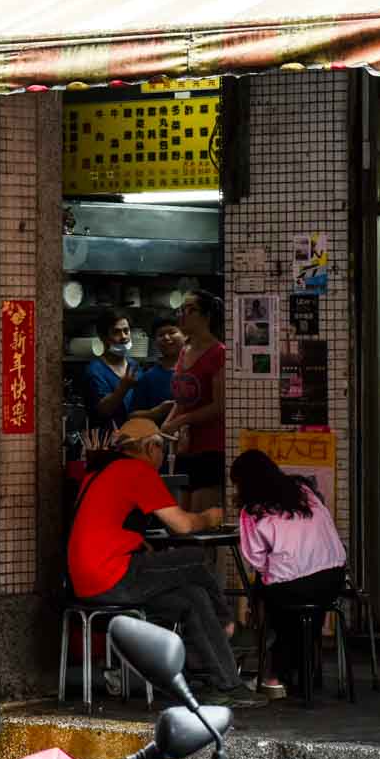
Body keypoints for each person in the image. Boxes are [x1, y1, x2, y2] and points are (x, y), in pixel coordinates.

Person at [68, 416, 259, 707]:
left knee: (191, 597)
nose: (163, 455)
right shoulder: (136, 470)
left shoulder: (98, 471)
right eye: (161, 449)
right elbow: (182, 525)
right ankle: (227, 623)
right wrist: (209, 517)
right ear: (150, 448)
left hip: (86, 580)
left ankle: (222, 683)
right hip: (113, 575)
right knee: (193, 560)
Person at [233, 449, 347, 701]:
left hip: (293, 586)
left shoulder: (253, 510)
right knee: (308, 611)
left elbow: (256, 560)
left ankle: (274, 673)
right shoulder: (304, 490)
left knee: (270, 597)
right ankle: (307, 672)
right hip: (334, 577)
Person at [162, 291, 226, 511]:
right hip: (185, 448)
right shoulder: (184, 351)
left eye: (191, 310)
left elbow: (219, 407)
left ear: (207, 316)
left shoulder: (219, 353)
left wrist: (180, 422)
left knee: (201, 523)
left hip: (210, 447)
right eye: (182, 310)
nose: (183, 315)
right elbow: (181, 399)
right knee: (182, 519)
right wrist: (166, 425)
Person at [80, 313, 142, 441]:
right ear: (103, 337)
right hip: (106, 442)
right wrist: (123, 387)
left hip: (134, 439)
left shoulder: (134, 366)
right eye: (116, 332)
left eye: (126, 331)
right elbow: (103, 410)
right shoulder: (94, 371)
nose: (124, 337)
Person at [134, 318, 184, 416]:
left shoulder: (198, 368)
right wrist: (155, 412)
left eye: (172, 332)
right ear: (155, 342)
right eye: (160, 335)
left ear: (185, 335)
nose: (166, 337)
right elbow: (133, 415)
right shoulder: (148, 377)